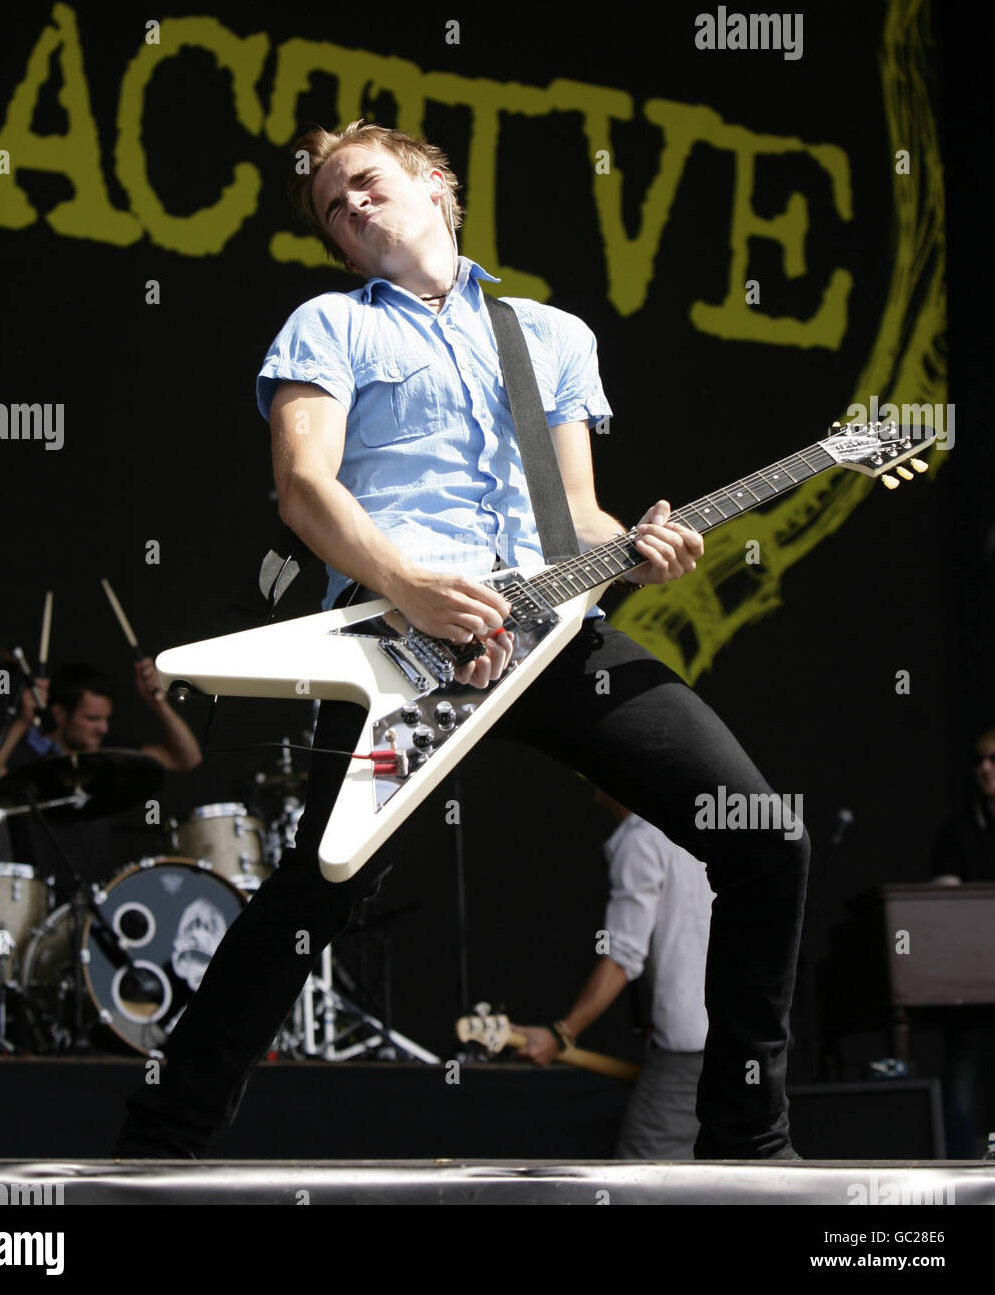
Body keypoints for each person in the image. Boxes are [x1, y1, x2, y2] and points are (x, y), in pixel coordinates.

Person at [114, 120, 809, 1161]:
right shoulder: (329, 326)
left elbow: (575, 513)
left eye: (363, 183)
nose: (347, 208)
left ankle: (748, 1142)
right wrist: (407, 587)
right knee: (314, 891)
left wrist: (640, 544)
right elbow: (305, 490)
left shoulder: (549, 337)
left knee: (762, 835)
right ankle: (161, 1138)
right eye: (331, 211)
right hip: (409, 646)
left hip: (555, 636)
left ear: (435, 183)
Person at [516, 791, 712, 1159]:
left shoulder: (643, 840)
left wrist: (563, 1033)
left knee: (642, 1176)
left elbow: (622, 954)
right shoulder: (707, 826)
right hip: (750, 1041)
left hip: (692, 1050)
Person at [0, 660, 202, 887]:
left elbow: (187, 758)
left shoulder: (108, 751)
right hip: (36, 897)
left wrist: (158, 704)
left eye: (106, 718)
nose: (103, 728)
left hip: (97, 896)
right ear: (59, 714)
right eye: (92, 719)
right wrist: (21, 721)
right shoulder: (24, 753)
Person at [930, 725, 995, 1158]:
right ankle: (961, 1174)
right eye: (978, 761)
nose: (984, 769)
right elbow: (942, 910)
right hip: (970, 982)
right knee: (962, 1072)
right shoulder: (957, 832)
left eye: (993, 759)